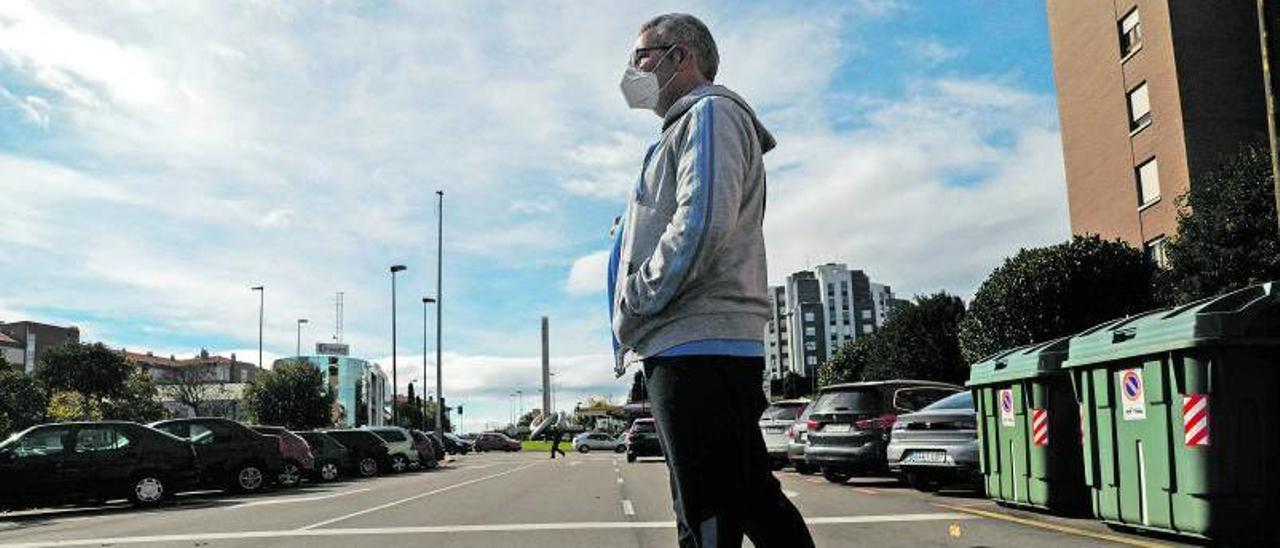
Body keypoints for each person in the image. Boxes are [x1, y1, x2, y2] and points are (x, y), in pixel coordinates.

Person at [607, 13, 814, 548]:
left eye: (641, 57)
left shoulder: (710, 115)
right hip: (695, 343)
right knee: (746, 497)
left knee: (704, 512)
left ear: (682, 57)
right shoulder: (688, 126)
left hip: (694, 345)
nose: (632, 71)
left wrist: (635, 298)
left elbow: (700, 224)